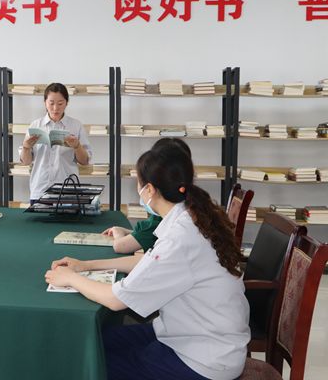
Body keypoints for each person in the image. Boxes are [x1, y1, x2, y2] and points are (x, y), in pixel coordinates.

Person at [45, 144, 249, 380]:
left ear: (150, 189)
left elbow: (116, 300)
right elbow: (149, 264)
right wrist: (87, 265)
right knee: (91, 342)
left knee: (85, 362)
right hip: (190, 335)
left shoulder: (180, 237)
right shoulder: (190, 218)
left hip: (201, 359)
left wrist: (71, 278)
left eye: (139, 184)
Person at [103, 138, 192, 255]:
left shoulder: (166, 222)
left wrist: (118, 232)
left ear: (150, 188)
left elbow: (122, 246)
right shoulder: (188, 209)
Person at [19, 83, 92, 203]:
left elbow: (85, 161)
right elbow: (26, 162)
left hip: (67, 191)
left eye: (60, 103)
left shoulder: (76, 126)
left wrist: (77, 146)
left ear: (67, 103)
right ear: (45, 102)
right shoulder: (35, 125)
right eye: (51, 103)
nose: (55, 108)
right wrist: (26, 147)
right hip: (40, 190)